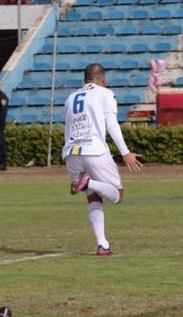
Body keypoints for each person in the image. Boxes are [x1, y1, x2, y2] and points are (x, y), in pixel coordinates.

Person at [63, 63, 143, 256]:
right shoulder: (105, 93)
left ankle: (102, 244)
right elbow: (112, 124)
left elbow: (67, 127)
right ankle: (87, 181)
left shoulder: (70, 97)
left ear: (84, 80)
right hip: (94, 150)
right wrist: (125, 152)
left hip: (71, 152)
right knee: (117, 195)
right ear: (103, 79)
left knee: (93, 197)